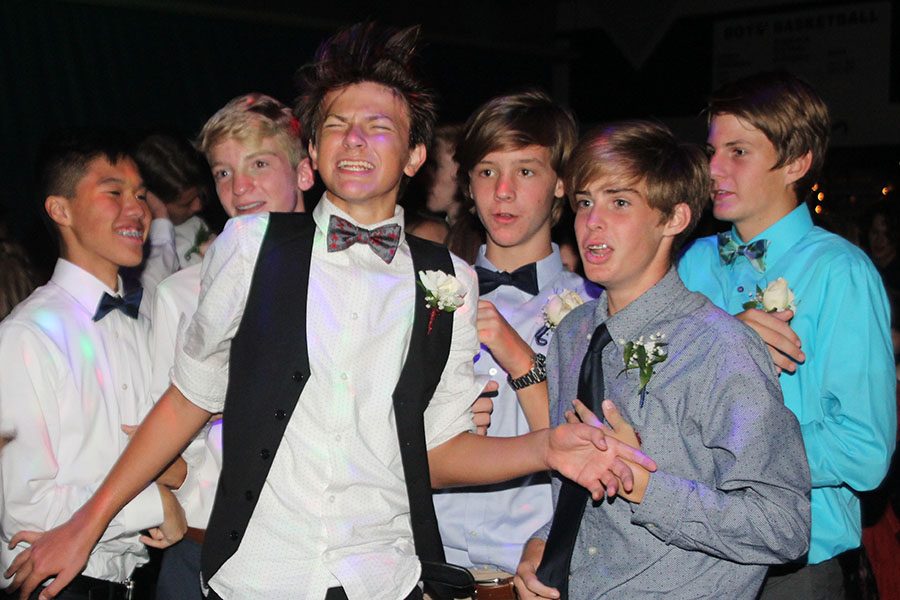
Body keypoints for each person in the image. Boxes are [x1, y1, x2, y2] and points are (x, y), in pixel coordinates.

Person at [4, 24, 654, 600]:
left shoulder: (448, 278)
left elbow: (437, 448)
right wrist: (81, 527)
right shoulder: (248, 248)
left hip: (386, 577)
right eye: (339, 125)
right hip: (257, 578)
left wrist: (547, 446)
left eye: (381, 128)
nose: (356, 140)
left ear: (415, 156)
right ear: (313, 152)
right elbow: (185, 402)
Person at [515, 121, 811, 600]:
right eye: (585, 202)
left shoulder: (720, 349)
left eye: (620, 202)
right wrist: (543, 545)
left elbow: (783, 525)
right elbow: (581, 499)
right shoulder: (574, 334)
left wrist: (646, 487)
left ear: (673, 218)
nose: (593, 221)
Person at [678, 71, 896, 599]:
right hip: (692, 552)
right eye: (712, 150)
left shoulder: (839, 271)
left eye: (738, 152)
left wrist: (731, 450)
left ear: (796, 163)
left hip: (792, 570)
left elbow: (864, 451)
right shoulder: (693, 261)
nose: (713, 169)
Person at [0, 130, 187, 599]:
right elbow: (26, 509)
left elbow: (172, 457)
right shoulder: (27, 336)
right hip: (53, 585)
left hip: (127, 581)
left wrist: (174, 471)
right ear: (60, 210)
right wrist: (154, 502)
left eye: (141, 194)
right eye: (114, 193)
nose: (138, 209)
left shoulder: (144, 325)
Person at [433, 90, 599, 597]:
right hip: (426, 566)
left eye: (525, 171)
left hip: (533, 576)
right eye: (486, 171)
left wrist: (520, 358)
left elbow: (600, 451)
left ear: (561, 185)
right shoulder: (427, 290)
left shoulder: (594, 308)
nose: (502, 192)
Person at [148, 93, 314, 600]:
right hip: (203, 547)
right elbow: (156, 426)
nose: (240, 188)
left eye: (259, 165)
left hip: (317, 553)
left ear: (304, 173)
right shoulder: (179, 294)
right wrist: (166, 490)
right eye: (222, 173)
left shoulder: (347, 281)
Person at [133, 133, 214, 290]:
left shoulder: (195, 222)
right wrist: (160, 215)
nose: (198, 206)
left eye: (199, 194)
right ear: (152, 199)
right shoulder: (142, 249)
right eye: (186, 204)